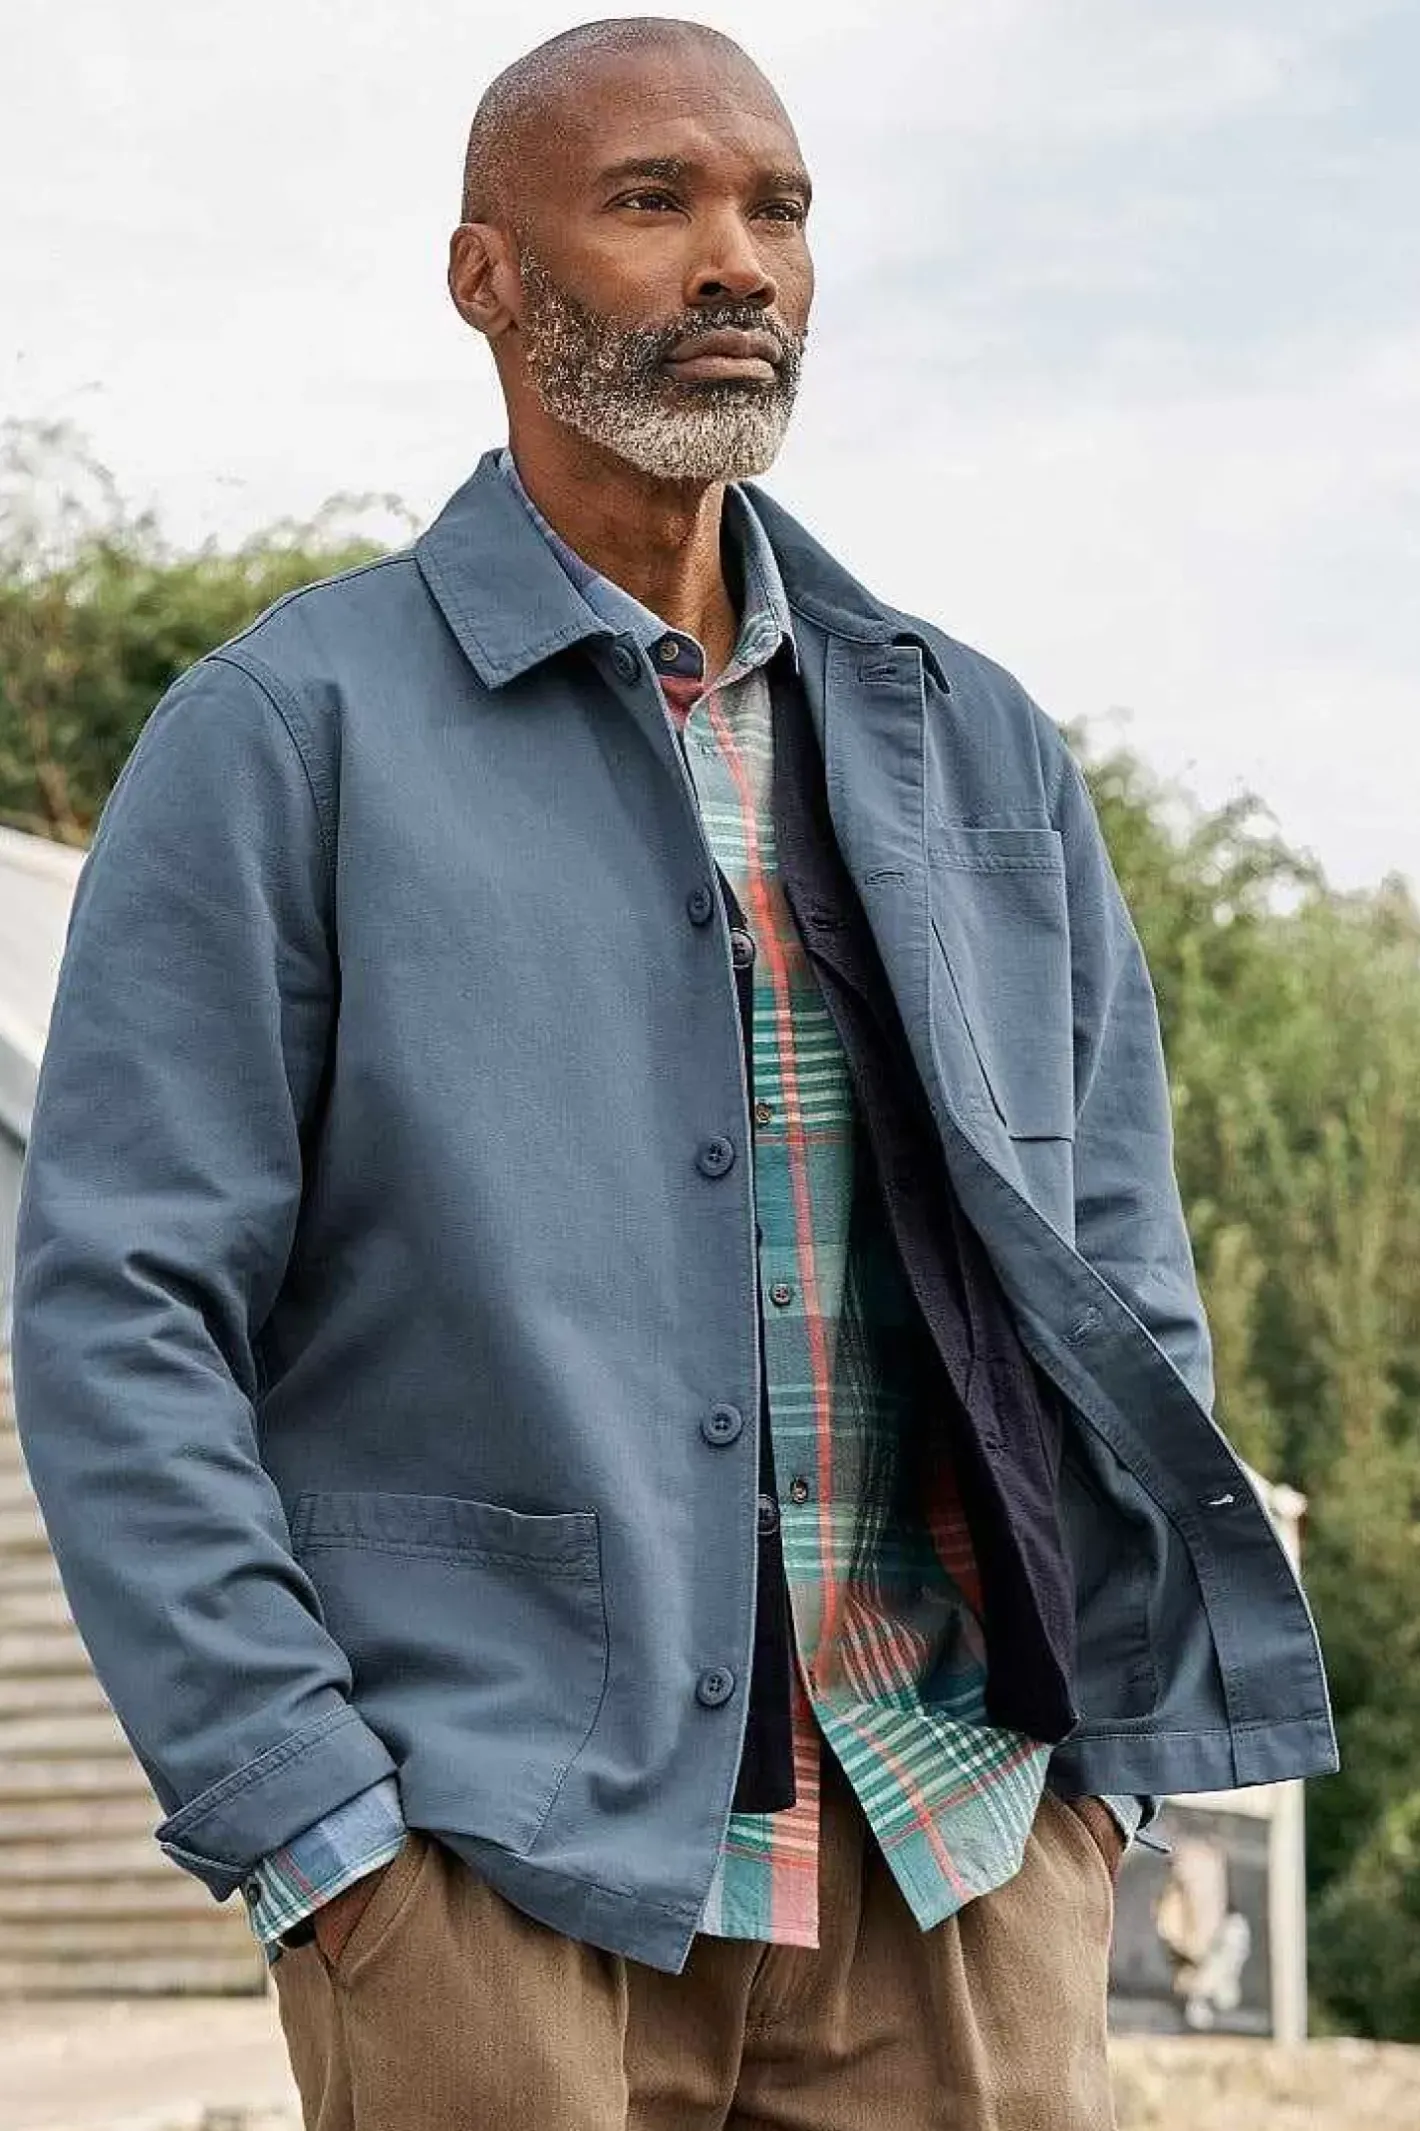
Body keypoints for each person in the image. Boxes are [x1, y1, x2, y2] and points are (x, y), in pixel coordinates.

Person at [12, 17, 1336, 2128]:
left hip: (955, 1836)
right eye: (653, 201)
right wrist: (315, 1827)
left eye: (777, 209)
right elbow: (121, 1312)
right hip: (489, 1867)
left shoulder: (977, 745)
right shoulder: (285, 737)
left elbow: (1114, 1279)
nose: (738, 260)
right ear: (485, 276)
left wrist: (1100, 1797)